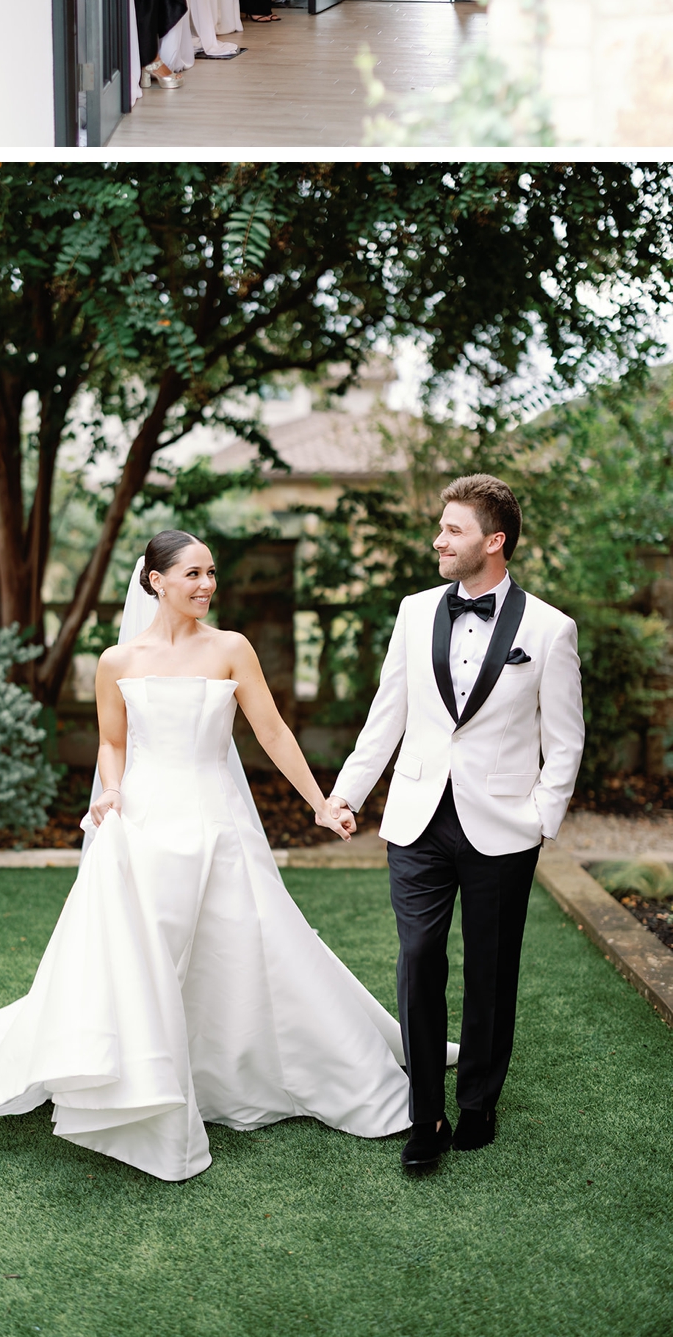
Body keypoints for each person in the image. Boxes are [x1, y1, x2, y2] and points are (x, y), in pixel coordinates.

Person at [0, 531, 458, 1182]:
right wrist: (110, 793)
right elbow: (113, 743)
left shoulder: (231, 649)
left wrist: (320, 800)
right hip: (144, 820)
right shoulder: (117, 660)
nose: (206, 584)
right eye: (192, 573)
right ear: (155, 580)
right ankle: (134, 1071)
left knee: (247, 941)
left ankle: (251, 1071)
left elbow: (272, 730)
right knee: (140, 951)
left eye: (211, 574)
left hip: (216, 819)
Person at [323, 475, 585, 1174]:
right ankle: (424, 1113)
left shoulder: (550, 629)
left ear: (493, 542)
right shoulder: (413, 613)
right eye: (440, 528)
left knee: (492, 968)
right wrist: (348, 792)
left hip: (503, 824)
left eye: (453, 529)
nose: (439, 539)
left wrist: (539, 820)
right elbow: (388, 714)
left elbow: (564, 740)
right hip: (416, 818)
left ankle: (478, 1102)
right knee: (418, 960)